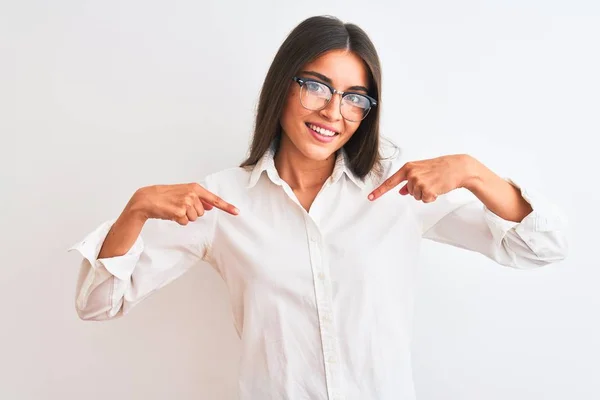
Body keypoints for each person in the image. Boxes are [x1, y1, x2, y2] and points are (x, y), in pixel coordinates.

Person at [69, 15, 568, 400]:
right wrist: (135, 210)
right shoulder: (221, 202)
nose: (333, 111)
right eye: (316, 86)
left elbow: (543, 248)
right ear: (283, 84)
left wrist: (475, 173)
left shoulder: (401, 192)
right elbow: (98, 304)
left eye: (355, 97)